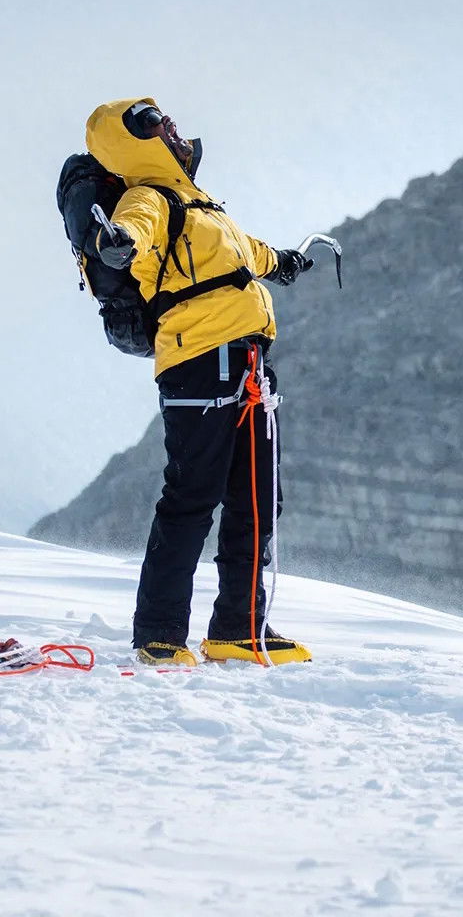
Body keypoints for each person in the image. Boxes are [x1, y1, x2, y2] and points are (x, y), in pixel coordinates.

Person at [87, 97, 318, 665]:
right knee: (191, 498)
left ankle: (239, 628)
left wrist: (281, 261)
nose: (170, 125)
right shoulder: (147, 196)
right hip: (198, 360)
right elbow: (132, 230)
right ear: (131, 140)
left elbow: (242, 253)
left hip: (249, 362)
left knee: (258, 499)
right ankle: (159, 634)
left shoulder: (198, 203)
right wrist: (117, 242)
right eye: (152, 122)